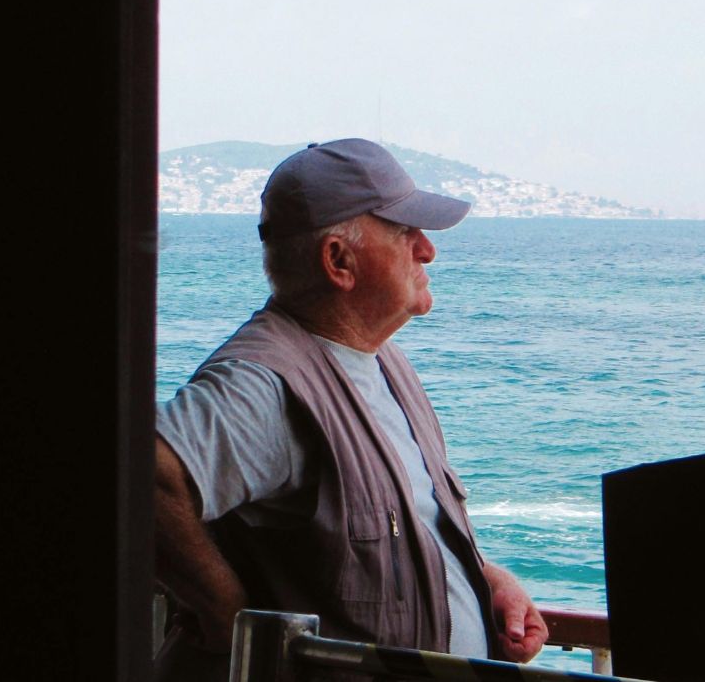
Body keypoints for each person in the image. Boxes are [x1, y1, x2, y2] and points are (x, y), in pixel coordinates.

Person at [154, 138, 547, 679]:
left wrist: (482, 580)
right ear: (339, 260)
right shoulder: (267, 383)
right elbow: (140, 474)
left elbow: (396, 528)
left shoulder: (383, 360)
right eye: (405, 232)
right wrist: (224, 611)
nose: (427, 250)